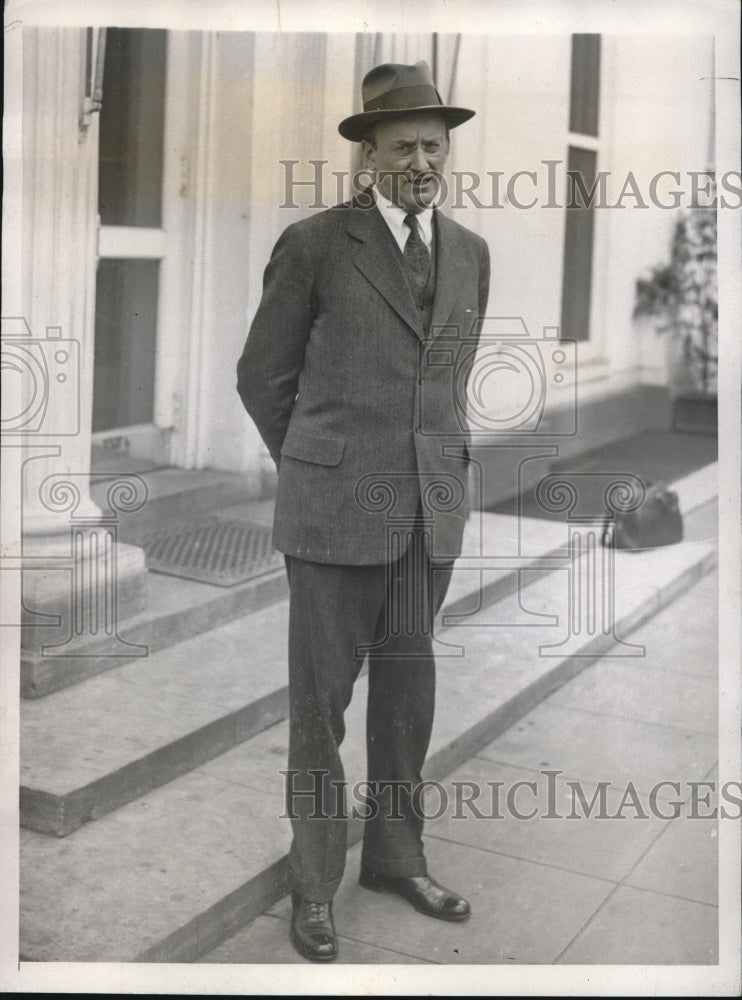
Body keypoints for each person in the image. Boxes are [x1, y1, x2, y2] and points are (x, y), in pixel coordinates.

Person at [237, 59, 490, 962]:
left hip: (430, 518)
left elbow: (446, 380)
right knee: (321, 708)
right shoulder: (314, 244)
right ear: (368, 157)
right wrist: (317, 467)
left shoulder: (468, 251)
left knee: (408, 699)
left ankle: (394, 855)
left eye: (435, 145)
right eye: (403, 147)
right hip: (334, 518)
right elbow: (261, 375)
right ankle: (314, 886)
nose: (422, 161)